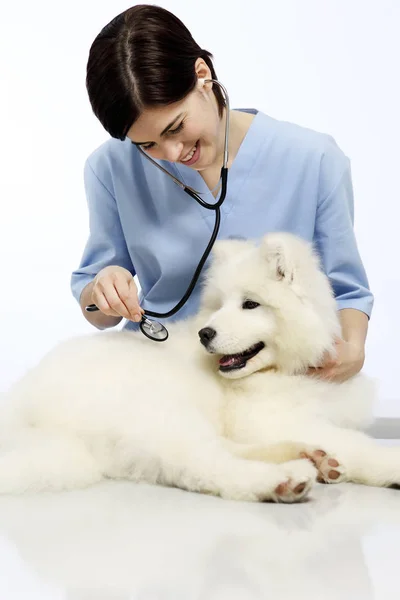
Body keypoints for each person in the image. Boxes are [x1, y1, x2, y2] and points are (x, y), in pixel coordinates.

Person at [71, 4, 373, 383]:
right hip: (161, 374)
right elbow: (98, 310)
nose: (172, 154)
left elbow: (346, 291)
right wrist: (105, 288)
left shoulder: (314, 160)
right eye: (146, 145)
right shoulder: (109, 168)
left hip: (270, 383)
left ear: (202, 75)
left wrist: (350, 351)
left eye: (175, 127)